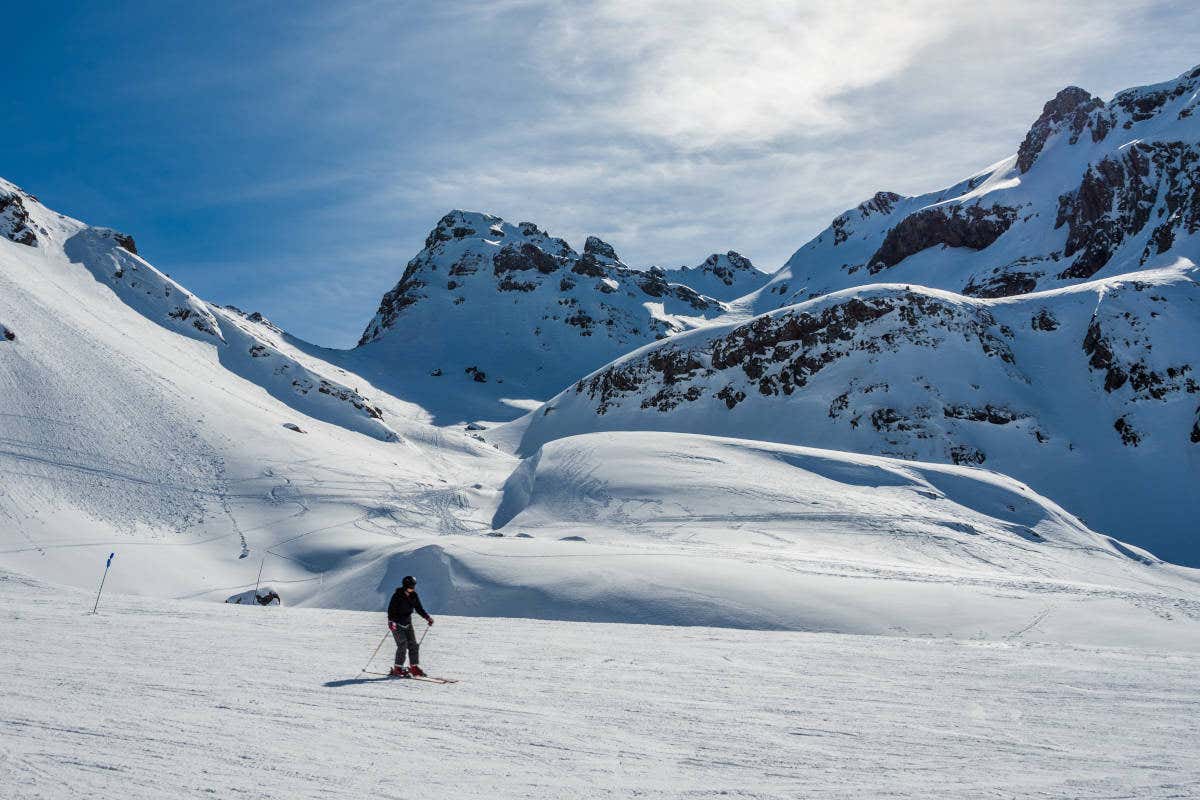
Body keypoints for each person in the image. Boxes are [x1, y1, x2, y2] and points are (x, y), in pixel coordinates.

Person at [387, 575, 434, 677]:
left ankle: (414, 667)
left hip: (408, 623)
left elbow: (419, 608)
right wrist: (391, 622)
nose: (413, 588)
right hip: (397, 623)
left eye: (413, 586)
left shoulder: (414, 596)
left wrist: (427, 617)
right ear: (405, 585)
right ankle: (397, 668)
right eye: (411, 586)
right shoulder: (397, 595)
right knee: (402, 645)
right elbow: (390, 610)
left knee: (413, 645)